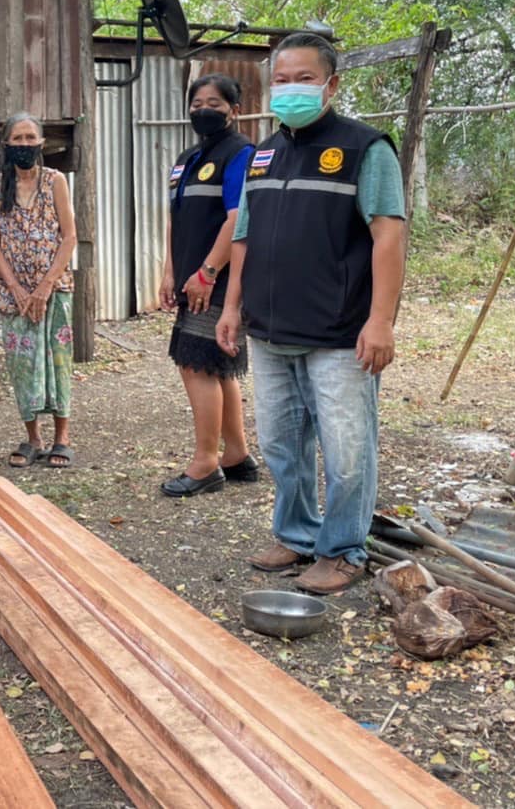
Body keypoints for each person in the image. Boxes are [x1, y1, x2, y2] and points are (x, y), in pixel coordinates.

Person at [216, 32, 407, 595]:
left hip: (339, 333)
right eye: (282, 79)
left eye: (304, 79)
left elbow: (388, 236)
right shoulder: (264, 153)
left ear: (331, 84)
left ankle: (344, 548)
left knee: (347, 452)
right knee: (280, 444)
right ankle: (297, 534)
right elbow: (244, 235)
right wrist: (231, 307)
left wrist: (381, 320)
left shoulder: (364, 148)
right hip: (270, 328)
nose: (291, 89)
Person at [158, 74, 258, 498]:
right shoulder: (187, 158)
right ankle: (236, 454)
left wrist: (208, 271)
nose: (204, 109)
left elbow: (239, 218)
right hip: (190, 275)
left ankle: (205, 464)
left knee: (196, 363)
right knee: (215, 364)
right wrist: (169, 271)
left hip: (218, 279)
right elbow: (175, 218)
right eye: (197, 102)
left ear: (234, 110)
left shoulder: (241, 153)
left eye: (215, 103)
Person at [0, 113, 77, 468]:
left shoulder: (55, 181)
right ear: (7, 144)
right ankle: (33, 438)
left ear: (41, 143)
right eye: (18, 139)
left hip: (54, 290)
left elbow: (69, 237)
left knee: (58, 361)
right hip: (13, 295)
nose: (24, 144)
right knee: (22, 365)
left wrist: (43, 288)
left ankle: (62, 438)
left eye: (30, 138)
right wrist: (18, 290)